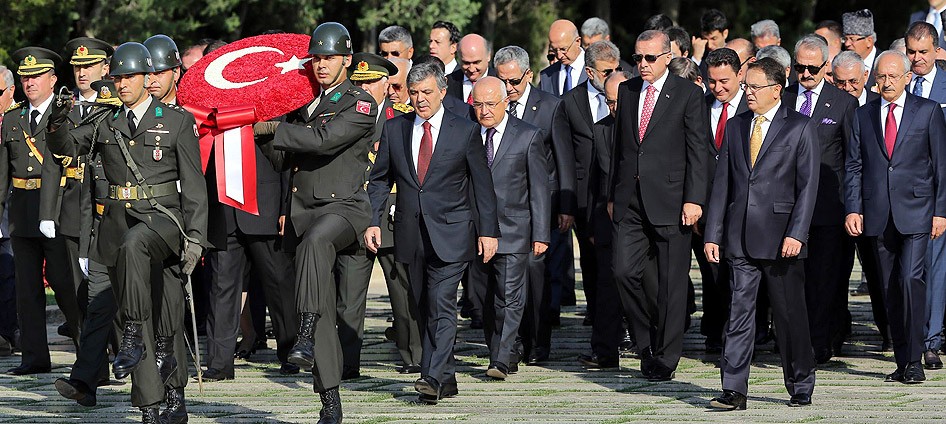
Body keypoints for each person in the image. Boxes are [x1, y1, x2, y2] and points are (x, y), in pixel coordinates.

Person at [46, 41, 207, 423]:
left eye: (130, 77)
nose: (122, 85)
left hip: (163, 223)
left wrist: (197, 238)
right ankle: (151, 408)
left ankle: (174, 393)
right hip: (118, 229)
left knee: (168, 313)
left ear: (148, 77)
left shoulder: (177, 121)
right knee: (151, 316)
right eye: (117, 78)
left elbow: (195, 187)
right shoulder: (105, 121)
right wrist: (56, 120)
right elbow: (67, 146)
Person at [252, 22, 378, 423]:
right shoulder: (303, 104)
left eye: (329, 58)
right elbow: (282, 161)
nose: (321, 65)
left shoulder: (359, 103)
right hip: (305, 214)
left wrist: (276, 128)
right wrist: (258, 133)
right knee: (321, 301)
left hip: (344, 210)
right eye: (317, 58)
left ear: (347, 60)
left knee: (315, 244)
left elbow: (324, 140)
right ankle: (330, 400)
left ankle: (302, 331)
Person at [365, 61, 499, 404]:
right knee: (423, 307)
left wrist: (488, 232)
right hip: (410, 233)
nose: (421, 99)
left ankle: (431, 377)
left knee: (441, 304)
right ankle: (447, 377)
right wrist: (372, 220)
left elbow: (482, 185)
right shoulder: (396, 129)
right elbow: (379, 179)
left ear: (442, 92)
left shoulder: (464, 130)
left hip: (453, 233)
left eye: (427, 92)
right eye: (414, 93)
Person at [704, 57, 820, 411]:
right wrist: (713, 232)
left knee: (789, 316)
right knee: (738, 313)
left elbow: (808, 186)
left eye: (754, 87)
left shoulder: (799, 127)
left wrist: (797, 233)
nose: (748, 93)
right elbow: (724, 182)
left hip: (781, 236)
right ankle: (734, 389)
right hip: (740, 237)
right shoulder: (737, 126)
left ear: (776, 89)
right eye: (746, 86)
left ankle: (800, 381)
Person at [609, 30, 707, 381]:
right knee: (622, 270)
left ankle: (666, 357)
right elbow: (620, 148)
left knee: (671, 284)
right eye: (637, 58)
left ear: (667, 57)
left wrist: (695, 199)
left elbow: (699, 150)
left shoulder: (688, 94)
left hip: (672, 200)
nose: (643, 64)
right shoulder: (627, 90)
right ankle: (645, 341)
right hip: (630, 201)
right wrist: (611, 195)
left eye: (650, 58)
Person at [845, 50, 946, 385]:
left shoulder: (927, 111)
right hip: (877, 213)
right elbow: (854, 166)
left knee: (910, 281)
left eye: (892, 76)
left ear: (906, 77)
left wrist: (941, 212)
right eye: (881, 76)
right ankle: (903, 359)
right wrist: (853, 207)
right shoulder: (864, 114)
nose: (886, 82)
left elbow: (941, 167)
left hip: (917, 212)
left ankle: (916, 358)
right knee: (890, 289)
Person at [0, 47, 83, 376]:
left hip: (58, 208)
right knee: (27, 288)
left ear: (52, 79)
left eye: (36, 76)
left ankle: (87, 352)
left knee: (65, 285)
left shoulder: (67, 115)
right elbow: (4, 171)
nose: (29, 82)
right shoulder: (13, 118)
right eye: (24, 77)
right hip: (22, 209)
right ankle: (34, 356)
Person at [493, 45, 575, 365]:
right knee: (506, 274)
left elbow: (565, 158)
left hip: (543, 203)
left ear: (528, 75)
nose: (508, 89)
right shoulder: (493, 106)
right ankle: (511, 341)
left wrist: (567, 205)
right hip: (505, 205)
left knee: (534, 270)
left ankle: (539, 341)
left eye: (513, 81)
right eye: (502, 81)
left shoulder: (551, 107)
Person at [344, 52, 422, 375]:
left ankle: (414, 357)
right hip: (351, 215)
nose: (364, 89)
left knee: (402, 295)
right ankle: (346, 365)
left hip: (388, 217)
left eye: (371, 83)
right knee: (348, 298)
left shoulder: (399, 118)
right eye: (358, 83)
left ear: (386, 85)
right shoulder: (343, 114)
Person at [468, 76, 549, 380]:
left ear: (506, 103)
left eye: (491, 104)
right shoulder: (467, 133)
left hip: (514, 228)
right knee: (485, 298)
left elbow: (538, 188)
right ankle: (503, 350)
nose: (485, 110)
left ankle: (501, 359)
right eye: (479, 104)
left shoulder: (527, 136)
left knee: (509, 296)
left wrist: (541, 233)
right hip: (475, 231)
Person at [784, 35, 859, 363]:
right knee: (790, 281)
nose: (806, 74)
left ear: (826, 67)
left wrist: (852, 207)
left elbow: (852, 159)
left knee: (824, 280)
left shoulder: (843, 103)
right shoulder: (782, 99)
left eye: (813, 68)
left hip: (828, 208)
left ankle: (818, 344)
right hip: (786, 206)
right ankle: (793, 341)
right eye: (800, 67)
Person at [54, 40, 118, 408]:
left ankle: (165, 380)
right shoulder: (86, 115)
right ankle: (85, 382)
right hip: (100, 223)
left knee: (144, 311)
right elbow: (65, 152)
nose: (82, 73)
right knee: (96, 308)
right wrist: (59, 118)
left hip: (144, 221)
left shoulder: (156, 117)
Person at [558, 40, 620, 335]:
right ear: (589, 72)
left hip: (619, 192)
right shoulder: (570, 102)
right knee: (593, 263)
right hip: (586, 197)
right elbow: (565, 157)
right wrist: (567, 206)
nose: (612, 75)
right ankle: (599, 321)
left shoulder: (628, 94)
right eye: (606, 71)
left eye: (616, 69)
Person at [578, 69, 632, 367]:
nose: (614, 108)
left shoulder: (649, 130)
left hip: (642, 219)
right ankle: (604, 350)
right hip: (608, 221)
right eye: (609, 102)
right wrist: (592, 225)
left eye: (619, 101)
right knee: (605, 286)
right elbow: (594, 183)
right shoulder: (601, 130)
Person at [699, 47, 748, 353]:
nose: (717, 87)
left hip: (744, 206)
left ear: (740, 75)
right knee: (712, 273)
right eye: (712, 81)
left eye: (724, 81)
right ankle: (717, 332)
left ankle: (744, 335)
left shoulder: (751, 109)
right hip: (707, 207)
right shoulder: (699, 107)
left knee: (742, 276)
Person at [905, 21, 946, 370]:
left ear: (937, 50)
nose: (917, 59)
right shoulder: (897, 86)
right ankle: (918, 339)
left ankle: (932, 339)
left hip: (940, 192)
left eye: (923, 52)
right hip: (909, 194)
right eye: (912, 52)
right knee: (918, 269)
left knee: (935, 267)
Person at [540, 20, 587, 96]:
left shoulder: (596, 68)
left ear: (578, 42)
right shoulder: (547, 75)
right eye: (554, 50)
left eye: (563, 49)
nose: (559, 56)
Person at [449, 34, 493, 104]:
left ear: (488, 56)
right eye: (466, 63)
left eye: (476, 62)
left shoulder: (501, 82)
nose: (471, 69)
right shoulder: (447, 83)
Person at [843, 10, 879, 85]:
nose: (847, 44)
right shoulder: (841, 62)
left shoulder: (883, 61)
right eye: (845, 39)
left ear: (869, 41)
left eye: (852, 39)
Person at [143, 35, 182, 105]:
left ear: (176, 73)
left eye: (158, 73)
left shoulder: (192, 108)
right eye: (147, 74)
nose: (151, 80)